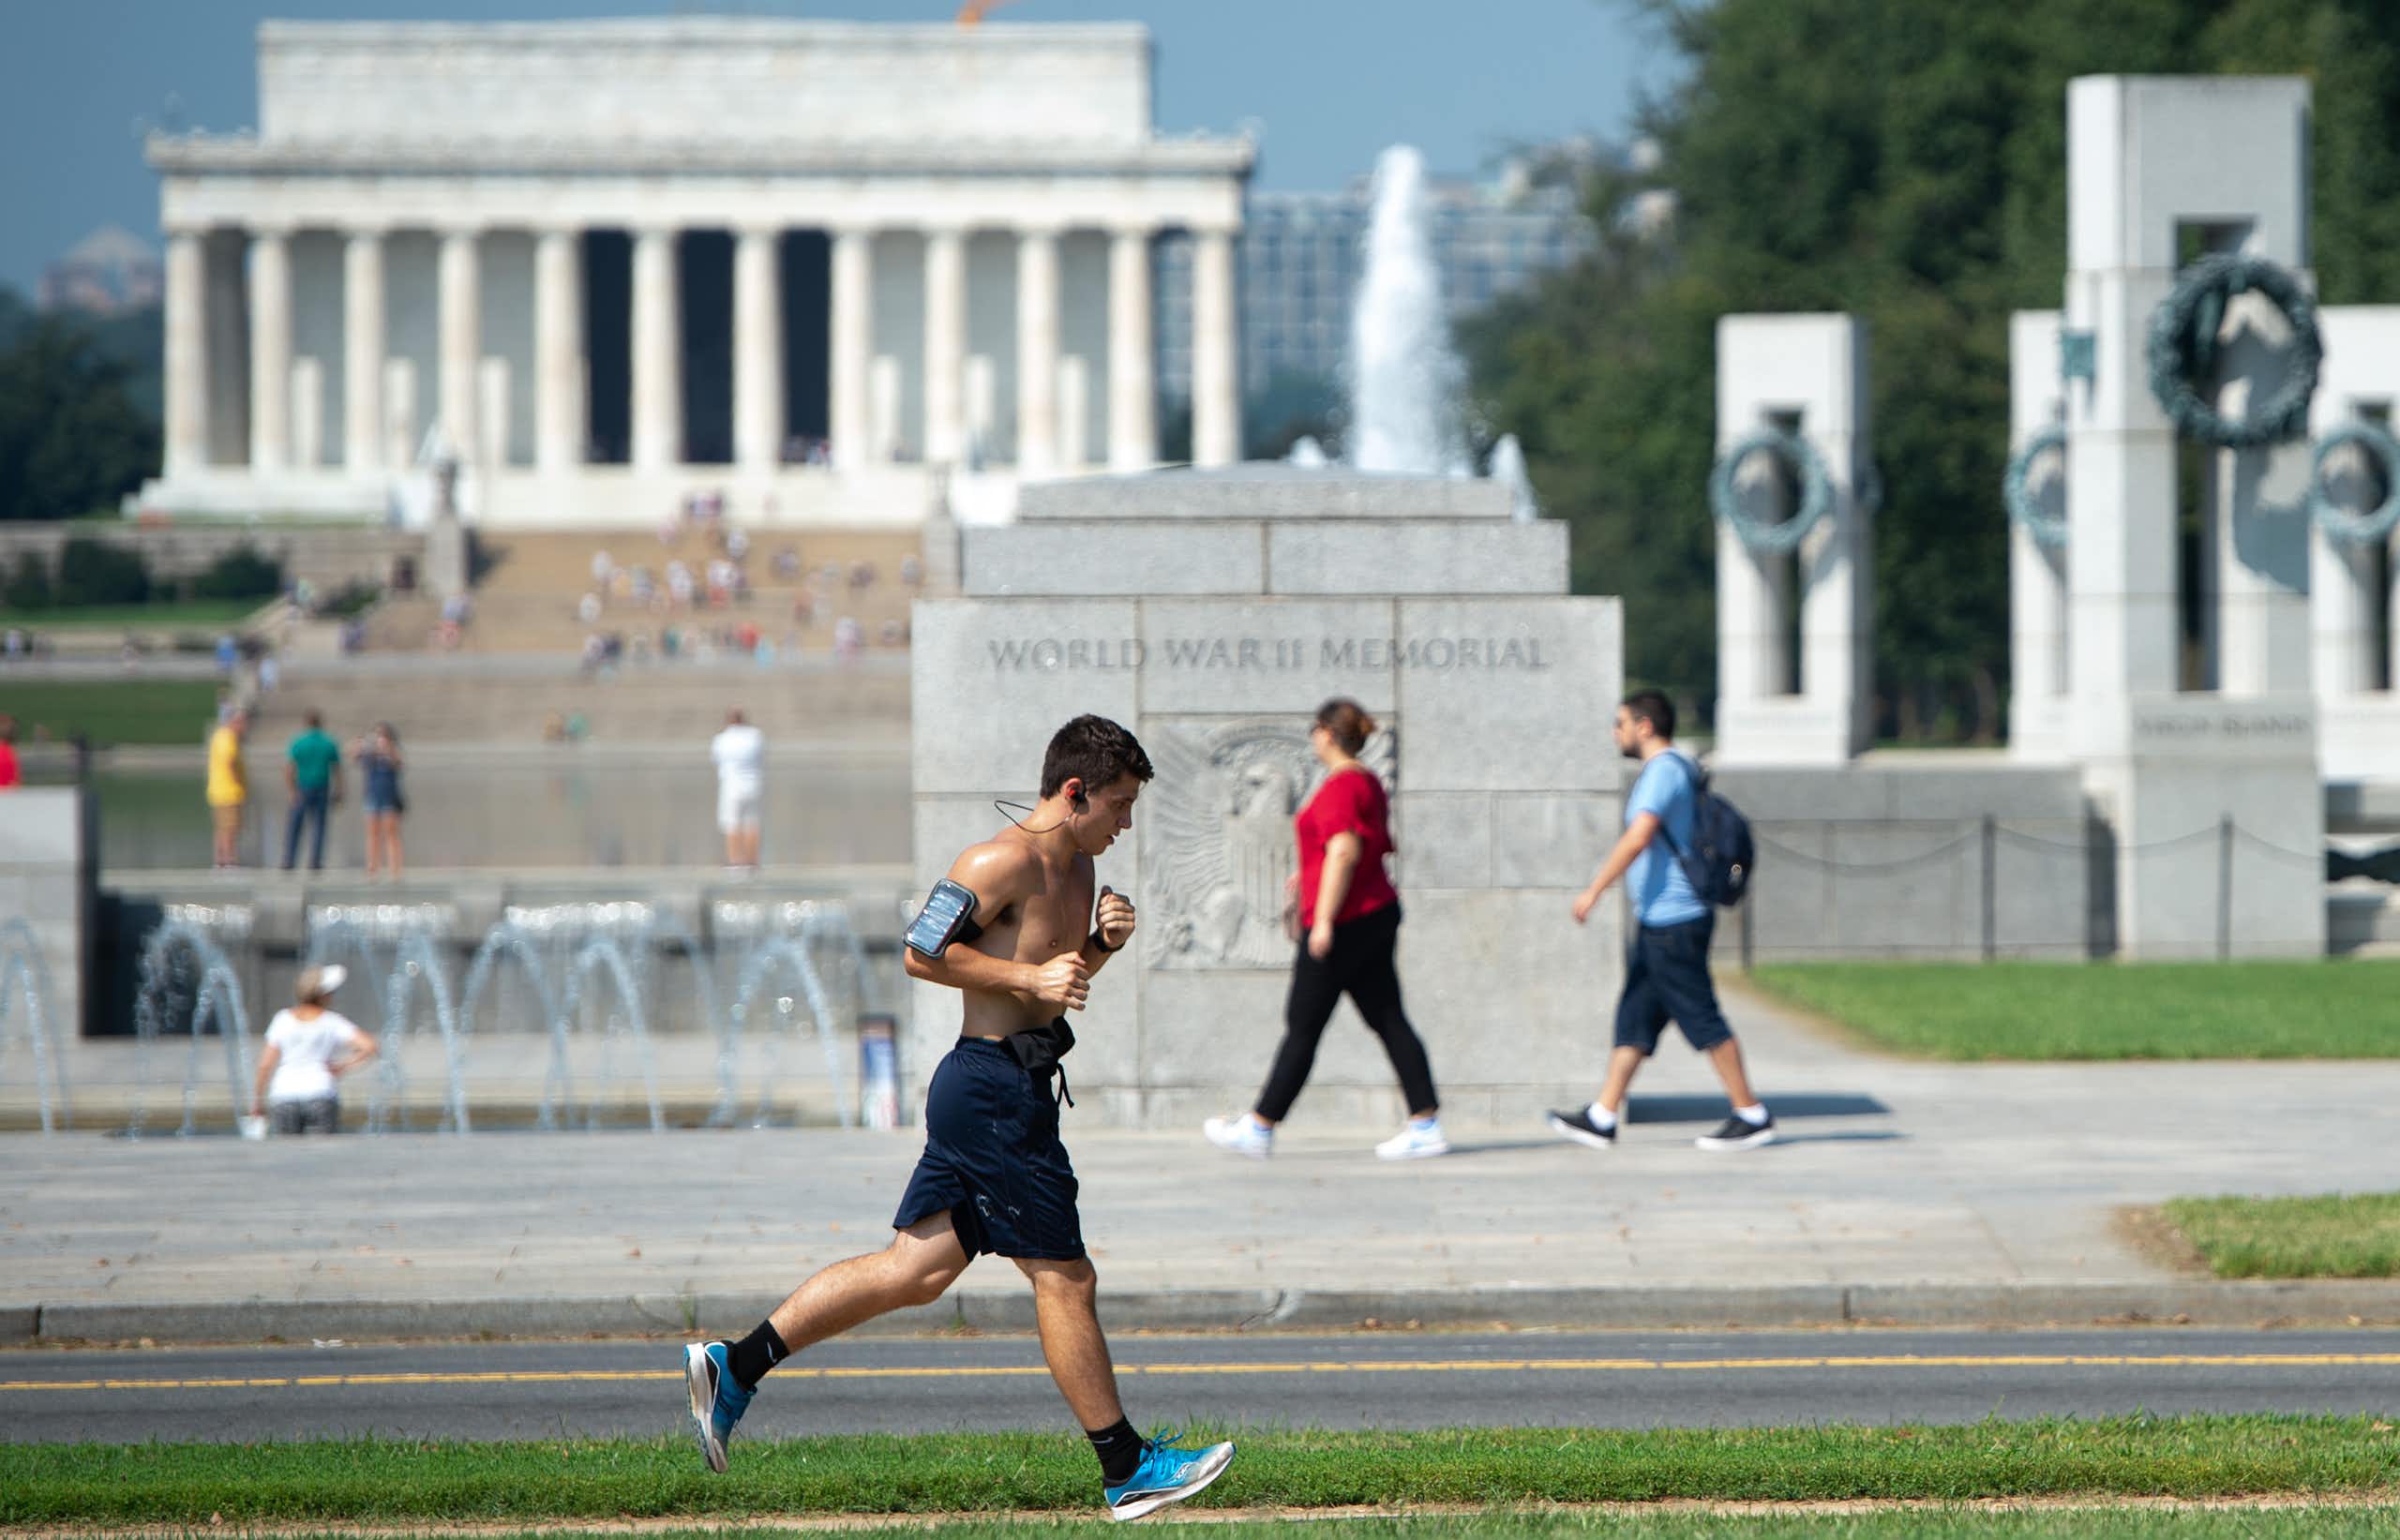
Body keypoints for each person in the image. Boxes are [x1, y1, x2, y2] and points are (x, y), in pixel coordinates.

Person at [682, 715, 1236, 1520]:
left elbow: (1052, 979)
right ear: (1073, 791)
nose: (1126, 822)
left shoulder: (1079, 868)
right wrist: (1034, 975)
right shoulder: (996, 859)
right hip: (990, 1090)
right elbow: (921, 949)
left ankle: (735, 1365)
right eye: (1117, 804)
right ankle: (1127, 1467)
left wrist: (1100, 947)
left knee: (917, 1269)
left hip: (1011, 1084)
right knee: (1065, 1277)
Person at [1204, 699, 1446, 1162]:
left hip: (1347, 924)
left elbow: (1344, 851)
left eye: (1315, 730)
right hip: (1372, 915)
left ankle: (1260, 1126)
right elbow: (1345, 851)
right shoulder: (1366, 781)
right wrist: (1307, 876)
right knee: (1388, 1018)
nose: (1313, 737)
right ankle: (1425, 1122)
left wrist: (1325, 921)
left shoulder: (1342, 786)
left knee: (1304, 1025)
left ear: (1327, 734)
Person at [1548, 691, 1775, 1153]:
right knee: (1635, 1017)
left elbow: (1639, 837)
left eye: (1621, 723)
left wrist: (1594, 889)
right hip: (1661, 921)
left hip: (1676, 920)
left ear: (1645, 726)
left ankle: (1751, 1113)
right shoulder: (1677, 769)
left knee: (1702, 1017)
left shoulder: (1663, 772)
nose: (1616, 733)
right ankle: (1603, 1115)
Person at [249, 964, 378, 1135]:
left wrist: (257, 1102)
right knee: (323, 1156)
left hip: (284, 1093)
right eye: (331, 993)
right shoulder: (331, 1022)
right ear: (323, 995)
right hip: (320, 1091)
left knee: (288, 1154)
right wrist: (344, 1066)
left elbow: (265, 1065)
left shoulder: (282, 1020)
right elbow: (370, 1046)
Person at [282, 709, 343, 873]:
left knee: (295, 826)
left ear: (306, 723)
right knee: (319, 826)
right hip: (322, 787)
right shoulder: (328, 743)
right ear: (320, 723)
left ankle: (289, 860)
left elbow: (289, 769)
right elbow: (337, 769)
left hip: (302, 787)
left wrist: (292, 791)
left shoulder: (298, 742)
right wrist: (339, 791)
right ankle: (315, 861)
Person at [711, 708, 765, 870]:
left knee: (732, 824)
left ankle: (736, 860)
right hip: (753, 783)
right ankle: (752, 860)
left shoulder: (722, 739)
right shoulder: (755, 736)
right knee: (751, 823)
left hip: (732, 784)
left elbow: (717, 759)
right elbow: (761, 757)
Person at [357, 723, 406, 880]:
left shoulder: (393, 752)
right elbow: (354, 755)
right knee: (372, 833)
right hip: (372, 796)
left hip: (389, 797)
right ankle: (372, 868)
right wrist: (363, 745)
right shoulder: (370, 755)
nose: (380, 740)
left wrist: (387, 750)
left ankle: (395, 869)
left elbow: (399, 762)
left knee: (391, 833)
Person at [206, 709, 249, 870]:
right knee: (229, 829)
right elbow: (229, 760)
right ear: (234, 722)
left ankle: (220, 861)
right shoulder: (228, 737)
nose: (244, 726)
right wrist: (238, 780)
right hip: (228, 791)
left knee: (222, 829)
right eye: (242, 723)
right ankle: (229, 861)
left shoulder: (220, 735)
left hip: (220, 791)